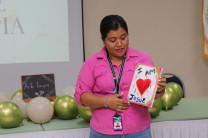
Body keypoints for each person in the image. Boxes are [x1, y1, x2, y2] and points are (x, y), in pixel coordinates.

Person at [75, 15, 166, 138]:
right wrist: (106, 101)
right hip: (103, 132)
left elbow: (152, 96)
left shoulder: (143, 59)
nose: (119, 44)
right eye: (112, 40)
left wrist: (159, 89)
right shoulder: (92, 63)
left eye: (123, 38)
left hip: (138, 130)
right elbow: (82, 96)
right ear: (103, 39)